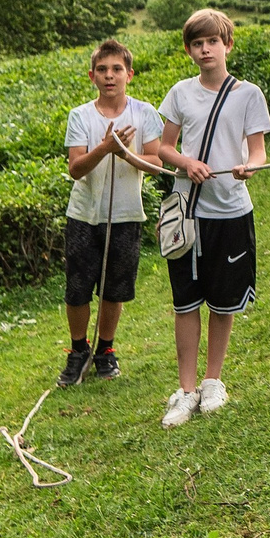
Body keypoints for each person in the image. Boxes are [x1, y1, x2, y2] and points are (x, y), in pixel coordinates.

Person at [151, 8, 270, 429]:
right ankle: (185, 392)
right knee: (186, 302)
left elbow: (257, 150)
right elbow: (164, 148)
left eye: (212, 42)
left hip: (231, 211)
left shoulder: (248, 94)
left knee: (223, 302)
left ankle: (213, 380)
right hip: (187, 212)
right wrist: (187, 162)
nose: (205, 50)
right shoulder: (180, 93)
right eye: (197, 44)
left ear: (228, 45)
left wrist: (249, 166)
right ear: (189, 50)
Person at [60, 39, 163, 387]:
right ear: (92, 76)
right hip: (84, 215)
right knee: (77, 287)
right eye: (102, 70)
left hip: (126, 215)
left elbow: (156, 162)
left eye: (117, 69)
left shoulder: (144, 112)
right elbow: (75, 168)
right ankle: (78, 350)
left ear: (129, 75)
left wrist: (126, 155)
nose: (109, 76)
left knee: (113, 289)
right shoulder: (80, 116)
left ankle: (105, 349)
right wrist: (105, 148)